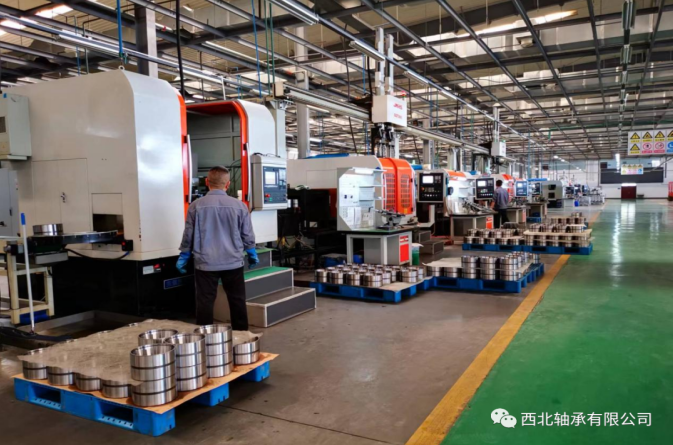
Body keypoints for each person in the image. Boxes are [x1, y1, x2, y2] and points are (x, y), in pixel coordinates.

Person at [176, 166, 259, 329]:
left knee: (205, 301)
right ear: (227, 184)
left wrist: (184, 255)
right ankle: (242, 335)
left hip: (205, 263)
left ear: (207, 182)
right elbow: (247, 234)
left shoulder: (195, 206)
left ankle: (204, 336)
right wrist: (251, 252)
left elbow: (188, 234)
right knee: (237, 300)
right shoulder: (239, 206)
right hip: (233, 262)